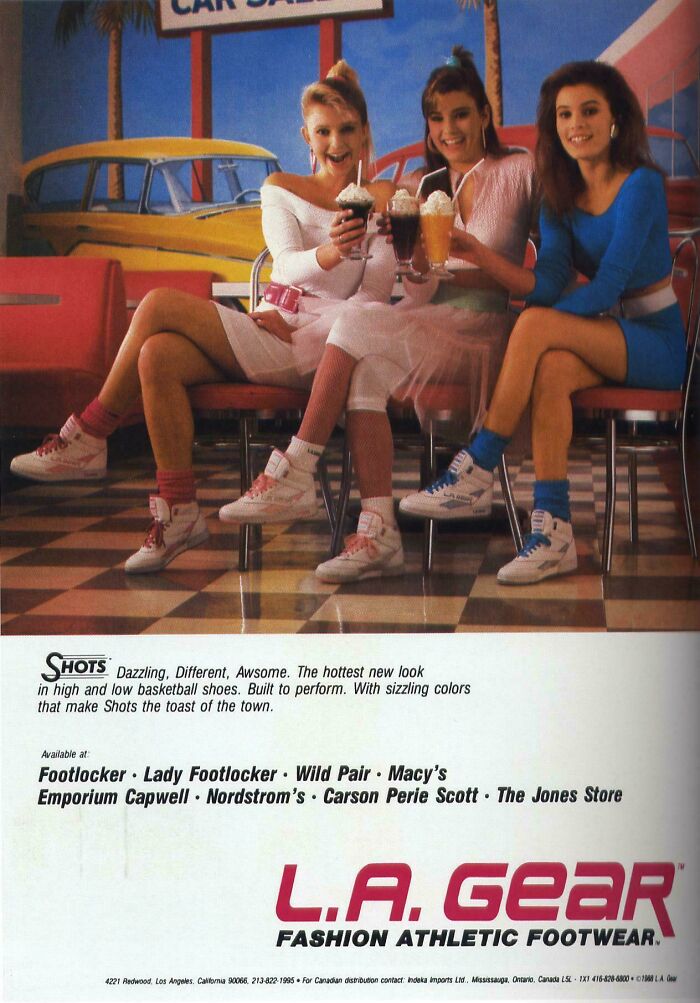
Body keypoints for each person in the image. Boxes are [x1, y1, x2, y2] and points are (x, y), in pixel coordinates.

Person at [10, 61, 399, 573]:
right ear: (306, 135)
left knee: (157, 304)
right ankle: (179, 512)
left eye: (348, 128)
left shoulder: (387, 199)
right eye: (324, 130)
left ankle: (89, 433)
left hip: (328, 350)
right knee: (157, 354)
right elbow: (283, 264)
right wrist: (317, 266)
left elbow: (371, 298)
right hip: (273, 330)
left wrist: (310, 308)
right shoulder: (280, 186)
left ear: (366, 132)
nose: (336, 142)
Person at [220, 47, 537, 584]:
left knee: (357, 322)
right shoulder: (421, 182)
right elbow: (419, 280)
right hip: (423, 321)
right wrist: (411, 256)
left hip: (485, 329)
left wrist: (477, 257)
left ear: (484, 114)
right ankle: (378, 531)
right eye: (438, 119)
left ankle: (297, 465)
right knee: (364, 365)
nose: (449, 129)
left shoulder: (521, 169)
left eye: (461, 114)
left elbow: (545, 265)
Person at [400, 60, 686, 585]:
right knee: (550, 366)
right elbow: (552, 277)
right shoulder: (558, 190)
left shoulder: (640, 183)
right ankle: (554, 533)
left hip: (656, 344)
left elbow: (607, 288)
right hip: (603, 335)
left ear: (616, 117)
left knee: (534, 330)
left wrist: (536, 320)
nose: (576, 123)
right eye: (564, 114)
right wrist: (478, 255)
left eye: (589, 111)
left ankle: (477, 466)